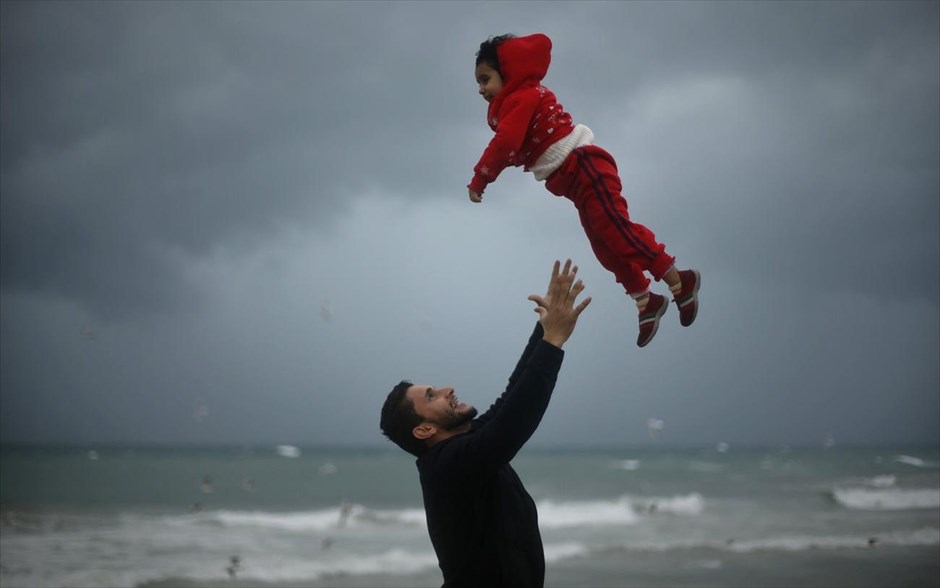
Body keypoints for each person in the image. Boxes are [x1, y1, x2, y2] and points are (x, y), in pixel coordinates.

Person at [468, 33, 701, 347]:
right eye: (479, 83)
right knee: (603, 245)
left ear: (507, 73)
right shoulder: (512, 106)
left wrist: (481, 178)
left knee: (617, 230)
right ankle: (645, 300)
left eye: (486, 79)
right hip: (574, 182)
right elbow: (515, 147)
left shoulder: (522, 96)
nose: (481, 89)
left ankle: (677, 279)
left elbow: (506, 144)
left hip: (586, 166)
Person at [380, 259, 590, 587]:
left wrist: (545, 330)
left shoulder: (464, 444)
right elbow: (512, 425)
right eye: (432, 396)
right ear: (424, 430)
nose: (448, 389)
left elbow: (510, 398)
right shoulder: (446, 466)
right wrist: (553, 343)